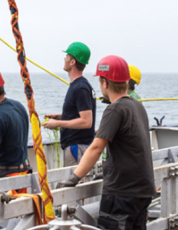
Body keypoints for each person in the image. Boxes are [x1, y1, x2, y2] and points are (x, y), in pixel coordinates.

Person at [61, 55, 155, 230]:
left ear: (105, 83)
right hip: (143, 190)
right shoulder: (137, 105)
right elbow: (131, 146)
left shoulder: (115, 109)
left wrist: (74, 178)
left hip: (123, 193)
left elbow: (96, 147)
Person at [43, 42, 96, 166]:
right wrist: (60, 116)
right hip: (77, 147)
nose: (64, 58)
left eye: (67, 56)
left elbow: (86, 121)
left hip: (77, 147)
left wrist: (57, 123)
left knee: (78, 184)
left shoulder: (80, 88)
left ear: (72, 62)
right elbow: (79, 113)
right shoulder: (79, 85)